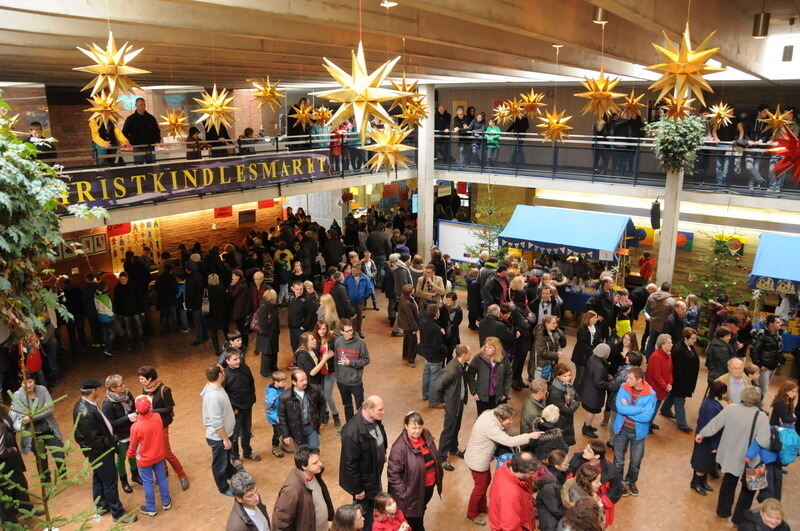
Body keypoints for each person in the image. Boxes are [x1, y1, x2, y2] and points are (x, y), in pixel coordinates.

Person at [696, 386, 771, 524]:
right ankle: (739, 519)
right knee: (749, 491)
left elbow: (715, 424)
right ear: (758, 400)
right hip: (754, 460)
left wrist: (702, 433)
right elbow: (764, 441)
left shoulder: (731, 409)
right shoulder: (762, 417)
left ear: (742, 396)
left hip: (731, 456)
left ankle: (722, 511)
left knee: (728, 484)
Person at [463, 404, 541, 526]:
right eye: (509, 419)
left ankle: (482, 506)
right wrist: (530, 436)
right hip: (477, 460)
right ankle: (472, 513)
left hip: (477, 457)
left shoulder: (490, 413)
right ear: (501, 418)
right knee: (480, 488)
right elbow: (509, 441)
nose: (511, 421)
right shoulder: (491, 427)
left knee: (484, 483)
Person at [72, 378, 136, 523]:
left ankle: (101, 505)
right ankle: (118, 513)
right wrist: (110, 446)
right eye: (97, 390)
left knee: (98, 478)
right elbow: (94, 440)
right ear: (93, 391)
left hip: (95, 453)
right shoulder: (86, 412)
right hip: (102, 453)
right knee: (110, 482)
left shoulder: (82, 404)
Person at [387, 411, 443, 531]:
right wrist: (405, 493)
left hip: (427, 487)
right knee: (412, 521)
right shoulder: (399, 447)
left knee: (420, 511)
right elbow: (393, 474)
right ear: (406, 426)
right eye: (413, 428)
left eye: (420, 427)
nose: (417, 431)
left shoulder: (426, 435)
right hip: (412, 493)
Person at [339, 396, 387, 531]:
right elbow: (350, 464)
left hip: (374, 475)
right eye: (380, 410)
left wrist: (383, 452)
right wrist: (357, 489)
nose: (383, 412)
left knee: (374, 508)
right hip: (363, 486)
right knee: (363, 515)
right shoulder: (351, 431)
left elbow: (380, 434)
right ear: (369, 409)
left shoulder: (374, 419)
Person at [138, 365, 190, 490]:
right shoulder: (145, 389)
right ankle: (165, 470)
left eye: (142, 379)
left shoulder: (164, 390)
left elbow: (168, 409)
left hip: (162, 424)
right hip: (151, 424)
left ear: (150, 378)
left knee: (166, 452)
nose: (140, 381)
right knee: (156, 449)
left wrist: (151, 411)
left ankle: (182, 475)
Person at [612, 366, 656, 497]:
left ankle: (630, 482)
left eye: (630, 378)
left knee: (636, 462)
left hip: (638, 433)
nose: (627, 380)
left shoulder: (651, 394)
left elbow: (647, 417)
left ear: (639, 380)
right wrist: (639, 409)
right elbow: (620, 408)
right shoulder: (624, 387)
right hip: (622, 430)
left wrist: (628, 409)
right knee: (618, 461)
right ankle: (619, 483)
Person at [126, 395, 172, 517]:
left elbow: (133, 445)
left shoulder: (135, 427)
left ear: (137, 410)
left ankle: (151, 508)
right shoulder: (157, 417)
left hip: (144, 460)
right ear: (150, 407)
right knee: (161, 478)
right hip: (159, 455)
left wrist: (130, 454)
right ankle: (166, 502)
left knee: (148, 482)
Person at [272, 445, 334, 531]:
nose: (320, 464)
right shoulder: (291, 490)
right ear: (304, 466)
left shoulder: (314, 474)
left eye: (319, 460)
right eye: (315, 463)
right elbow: (282, 522)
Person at [201, 364, 237, 496]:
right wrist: (225, 439)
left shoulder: (216, 386)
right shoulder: (213, 396)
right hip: (219, 438)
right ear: (220, 375)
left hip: (225, 434)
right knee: (219, 464)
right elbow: (216, 422)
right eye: (223, 370)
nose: (225, 371)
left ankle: (230, 473)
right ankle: (223, 487)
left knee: (226, 458)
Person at [100, 375, 139, 493]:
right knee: (121, 459)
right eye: (120, 385)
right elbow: (110, 424)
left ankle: (135, 475)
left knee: (133, 454)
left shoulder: (127, 394)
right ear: (112, 388)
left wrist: (134, 413)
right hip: (120, 436)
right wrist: (127, 417)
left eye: (123, 383)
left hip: (132, 431)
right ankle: (124, 482)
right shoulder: (108, 404)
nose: (124, 386)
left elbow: (133, 408)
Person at [221, 348, 260, 465]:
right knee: (235, 435)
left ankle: (247, 452)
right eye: (235, 359)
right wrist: (232, 409)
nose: (238, 361)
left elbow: (251, 383)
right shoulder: (225, 375)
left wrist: (252, 399)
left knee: (247, 431)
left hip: (247, 406)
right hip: (236, 410)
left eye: (239, 358)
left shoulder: (245, 368)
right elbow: (224, 395)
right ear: (227, 361)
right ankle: (235, 457)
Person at [690, 381, 727, 496]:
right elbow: (713, 428)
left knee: (705, 462)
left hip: (703, 436)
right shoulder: (714, 407)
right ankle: (696, 483)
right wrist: (715, 445)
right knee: (702, 463)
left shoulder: (708, 400)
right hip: (708, 439)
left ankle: (702, 482)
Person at [662, 327, 700, 432]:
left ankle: (665, 410)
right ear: (685, 338)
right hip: (681, 381)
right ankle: (682, 424)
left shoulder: (689, 346)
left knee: (673, 395)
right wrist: (682, 383)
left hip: (686, 380)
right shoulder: (679, 350)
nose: (695, 340)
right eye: (692, 338)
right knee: (680, 401)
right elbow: (677, 369)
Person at [488, 451, 537, 531]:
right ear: (522, 472)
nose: (533, 476)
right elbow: (510, 527)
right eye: (531, 473)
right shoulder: (510, 494)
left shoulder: (503, 470)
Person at [566, 440, 624, 506]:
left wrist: (601, 501)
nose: (584, 451)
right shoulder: (577, 458)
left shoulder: (610, 470)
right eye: (586, 448)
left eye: (589, 451)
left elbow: (616, 489)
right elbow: (569, 476)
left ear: (596, 456)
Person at [278, 370, 325, 450]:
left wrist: (318, 419)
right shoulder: (285, 397)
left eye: (305, 379)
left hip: (311, 428)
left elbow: (322, 405)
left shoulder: (315, 390)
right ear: (294, 382)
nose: (305, 382)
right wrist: (285, 435)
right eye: (302, 380)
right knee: (302, 455)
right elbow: (282, 417)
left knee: (314, 451)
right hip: (297, 431)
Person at [335, 319, 370, 421]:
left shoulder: (360, 343)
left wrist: (351, 363)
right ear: (341, 331)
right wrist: (338, 377)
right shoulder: (338, 342)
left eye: (351, 330)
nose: (350, 333)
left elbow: (366, 360)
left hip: (355, 382)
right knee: (347, 405)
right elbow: (336, 360)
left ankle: (362, 426)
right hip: (342, 381)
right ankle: (350, 426)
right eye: (347, 331)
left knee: (360, 407)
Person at [467, 336, 512, 415]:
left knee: (498, 419)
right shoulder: (478, 358)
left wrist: (505, 393)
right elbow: (470, 374)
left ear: (496, 349)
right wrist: (473, 391)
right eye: (486, 346)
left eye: (490, 347)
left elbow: (508, 375)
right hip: (482, 397)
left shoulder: (504, 359)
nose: (487, 349)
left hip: (499, 397)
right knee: (483, 419)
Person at [580, 343, 612, 439]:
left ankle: (588, 425)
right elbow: (599, 383)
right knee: (591, 411)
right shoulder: (599, 366)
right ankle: (586, 428)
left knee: (589, 410)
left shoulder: (592, 358)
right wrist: (609, 384)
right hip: (593, 393)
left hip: (588, 389)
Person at [547, 363, 581, 447]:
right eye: (565, 376)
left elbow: (577, 398)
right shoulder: (555, 392)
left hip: (565, 421)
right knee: (560, 445)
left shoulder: (566, 385)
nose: (568, 378)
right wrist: (574, 403)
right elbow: (568, 411)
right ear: (558, 376)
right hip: (560, 423)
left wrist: (573, 403)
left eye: (569, 375)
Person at [645, 333, 674, 432]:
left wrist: (669, 383)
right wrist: (666, 386)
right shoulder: (656, 356)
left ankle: (650, 422)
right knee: (651, 409)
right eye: (669, 343)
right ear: (663, 344)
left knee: (656, 408)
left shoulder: (668, 355)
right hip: (655, 388)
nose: (672, 344)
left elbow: (670, 370)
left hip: (663, 387)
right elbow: (656, 376)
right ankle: (646, 425)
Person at [535, 450, 569, 531]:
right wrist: (572, 513)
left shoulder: (558, 473)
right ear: (557, 466)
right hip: (550, 523)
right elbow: (555, 510)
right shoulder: (549, 486)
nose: (568, 465)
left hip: (554, 509)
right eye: (565, 464)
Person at [418, 304, 445, 407]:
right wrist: (444, 348)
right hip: (434, 356)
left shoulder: (423, 322)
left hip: (426, 353)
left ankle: (425, 394)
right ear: (436, 314)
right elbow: (437, 346)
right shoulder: (436, 329)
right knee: (434, 378)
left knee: (426, 374)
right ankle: (433, 402)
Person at [751, 314, 784, 398]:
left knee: (763, 388)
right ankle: (758, 408)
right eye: (777, 322)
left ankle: (758, 406)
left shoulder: (778, 334)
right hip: (764, 367)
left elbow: (778, 350)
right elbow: (754, 350)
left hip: (773, 366)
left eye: (780, 322)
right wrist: (759, 364)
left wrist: (779, 362)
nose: (780, 324)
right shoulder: (762, 334)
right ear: (770, 324)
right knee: (763, 389)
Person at [122, 97, 161, 164]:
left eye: (144, 105)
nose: (143, 107)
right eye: (141, 105)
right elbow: (124, 132)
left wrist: (157, 140)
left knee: (152, 167)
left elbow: (157, 130)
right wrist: (130, 141)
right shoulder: (131, 119)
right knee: (139, 168)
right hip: (137, 147)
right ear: (136, 106)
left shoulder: (151, 118)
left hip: (150, 147)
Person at [529, 314, 567, 382]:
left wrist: (559, 351)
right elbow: (542, 352)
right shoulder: (540, 335)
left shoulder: (552, 332)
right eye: (553, 323)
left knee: (548, 382)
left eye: (556, 323)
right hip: (542, 366)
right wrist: (556, 355)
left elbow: (557, 344)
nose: (556, 325)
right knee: (541, 385)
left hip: (550, 364)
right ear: (546, 323)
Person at [572, 311, 601, 392]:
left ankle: (580, 392)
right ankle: (574, 393)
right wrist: (593, 351)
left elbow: (599, 341)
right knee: (580, 377)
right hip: (581, 357)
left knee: (585, 377)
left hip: (590, 357)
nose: (597, 319)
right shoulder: (582, 329)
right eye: (595, 317)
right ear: (589, 318)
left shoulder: (596, 329)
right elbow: (582, 344)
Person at [255, 289, 280, 377]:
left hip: (272, 333)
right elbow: (262, 322)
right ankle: (265, 372)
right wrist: (267, 333)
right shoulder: (264, 306)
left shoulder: (271, 305)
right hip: (266, 334)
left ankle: (273, 367)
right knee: (266, 353)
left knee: (273, 351)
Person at [288, 281, 316, 352]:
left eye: (301, 289)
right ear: (293, 289)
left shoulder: (307, 299)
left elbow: (310, 315)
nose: (299, 291)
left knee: (303, 347)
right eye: (297, 289)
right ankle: (296, 361)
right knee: (294, 346)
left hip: (301, 329)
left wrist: (304, 326)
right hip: (292, 328)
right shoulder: (291, 298)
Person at [397, 284, 420, 367]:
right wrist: (415, 327)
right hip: (409, 325)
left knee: (407, 339)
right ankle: (411, 360)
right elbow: (410, 317)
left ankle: (405, 355)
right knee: (413, 341)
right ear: (410, 292)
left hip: (405, 324)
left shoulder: (403, 297)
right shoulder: (407, 303)